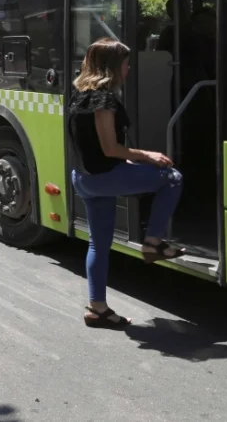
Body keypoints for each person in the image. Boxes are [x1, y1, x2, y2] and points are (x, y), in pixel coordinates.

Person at [68, 38, 185, 329]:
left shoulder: (79, 94)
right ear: (113, 67)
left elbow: (94, 146)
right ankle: (153, 242)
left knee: (98, 243)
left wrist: (129, 162)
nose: (129, 68)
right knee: (172, 178)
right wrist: (147, 155)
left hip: (84, 178)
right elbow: (109, 148)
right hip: (103, 177)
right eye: (125, 63)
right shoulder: (103, 99)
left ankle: (97, 309)